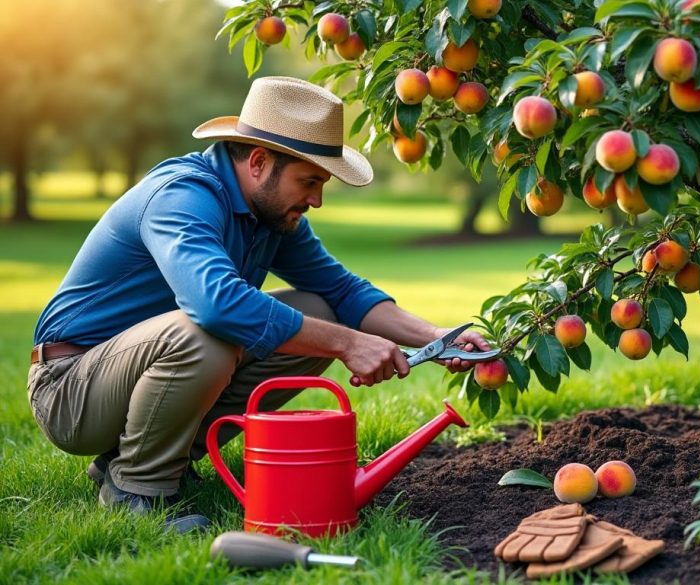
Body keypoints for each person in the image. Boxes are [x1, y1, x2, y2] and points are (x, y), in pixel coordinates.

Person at [27, 76, 490, 533]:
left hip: (132, 377)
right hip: (71, 390)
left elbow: (342, 293)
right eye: (309, 181)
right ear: (257, 161)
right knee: (208, 334)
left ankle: (145, 456)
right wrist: (347, 344)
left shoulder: (270, 216)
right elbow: (215, 306)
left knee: (318, 313)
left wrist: (436, 336)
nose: (317, 199)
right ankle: (137, 490)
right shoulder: (181, 196)